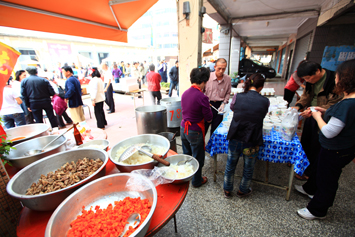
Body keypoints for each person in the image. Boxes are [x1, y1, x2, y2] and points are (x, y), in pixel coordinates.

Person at [295, 59, 355, 220]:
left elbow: (329, 131)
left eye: (338, 76)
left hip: (335, 144)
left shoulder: (347, 103)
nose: (336, 79)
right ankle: (310, 188)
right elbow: (308, 97)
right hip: (331, 140)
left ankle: (318, 210)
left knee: (327, 177)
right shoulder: (347, 100)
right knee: (319, 164)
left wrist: (317, 114)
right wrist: (307, 108)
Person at [292, 61, 342, 180]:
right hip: (311, 115)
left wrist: (315, 111)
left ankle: (310, 173)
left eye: (308, 78)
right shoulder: (310, 82)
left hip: (323, 118)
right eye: (305, 79)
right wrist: (298, 106)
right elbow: (306, 96)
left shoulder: (333, 81)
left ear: (318, 71)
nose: (307, 81)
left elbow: (333, 104)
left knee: (316, 145)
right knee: (305, 142)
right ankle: (302, 167)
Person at [223, 73, 269, 198]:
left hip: (236, 135)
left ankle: (227, 189)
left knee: (230, 164)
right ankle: (243, 190)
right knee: (248, 167)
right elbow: (262, 115)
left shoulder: (238, 96)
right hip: (252, 139)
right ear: (261, 87)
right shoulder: (265, 101)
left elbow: (233, 108)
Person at [180, 67, 213, 188]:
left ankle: (187, 177)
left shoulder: (185, 93)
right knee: (198, 157)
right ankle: (196, 181)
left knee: (187, 155)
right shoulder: (202, 97)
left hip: (183, 128)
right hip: (194, 131)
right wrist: (207, 107)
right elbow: (209, 118)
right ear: (204, 81)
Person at [204, 58, 231, 136]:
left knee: (216, 130)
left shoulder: (227, 79)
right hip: (207, 104)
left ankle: (212, 146)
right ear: (215, 67)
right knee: (204, 128)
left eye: (223, 69)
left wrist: (223, 103)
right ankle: (202, 147)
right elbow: (202, 91)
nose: (221, 71)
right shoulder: (208, 77)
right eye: (219, 68)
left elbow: (228, 93)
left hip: (219, 106)